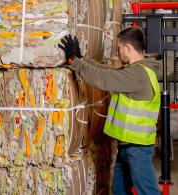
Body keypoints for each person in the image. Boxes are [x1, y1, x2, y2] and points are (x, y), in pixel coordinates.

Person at [59, 27, 161, 195]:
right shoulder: (137, 70)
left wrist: (75, 63)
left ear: (128, 48)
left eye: (119, 48)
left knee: (147, 192)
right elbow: (110, 72)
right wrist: (82, 59)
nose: (117, 52)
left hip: (138, 149)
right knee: (120, 191)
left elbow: (105, 79)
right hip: (127, 145)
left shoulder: (138, 74)